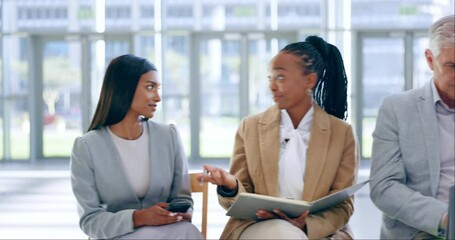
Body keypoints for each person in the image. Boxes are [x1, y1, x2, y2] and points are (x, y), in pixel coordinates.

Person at [198, 36, 359, 239]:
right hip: (258, 227)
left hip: (319, 231)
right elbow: (239, 198)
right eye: (270, 78)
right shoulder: (251, 127)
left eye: (281, 77)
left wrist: (305, 225)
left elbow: (343, 206)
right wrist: (230, 185)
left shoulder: (341, 133)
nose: (272, 86)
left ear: (309, 80)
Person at [70, 54, 202, 239]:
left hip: (167, 233)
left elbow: (182, 199)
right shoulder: (86, 147)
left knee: (189, 231)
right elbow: (90, 221)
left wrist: (181, 212)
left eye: (158, 88)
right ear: (125, 88)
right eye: (150, 87)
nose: (158, 97)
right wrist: (139, 218)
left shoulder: (169, 136)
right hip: (118, 235)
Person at [369, 15, 454, 239]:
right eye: (451, 66)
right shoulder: (397, 109)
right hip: (422, 230)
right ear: (429, 59)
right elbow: (384, 187)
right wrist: (446, 218)